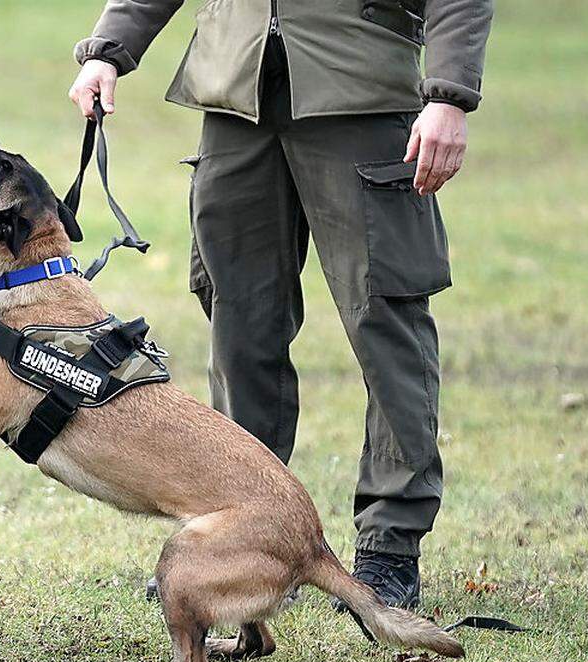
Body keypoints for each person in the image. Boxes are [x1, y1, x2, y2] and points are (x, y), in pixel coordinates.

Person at [69, 0, 492, 610]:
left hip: (360, 91)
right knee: (239, 324)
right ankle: (242, 540)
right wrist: (108, 49)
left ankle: (390, 547)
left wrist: (449, 94)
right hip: (234, 94)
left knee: (386, 323)